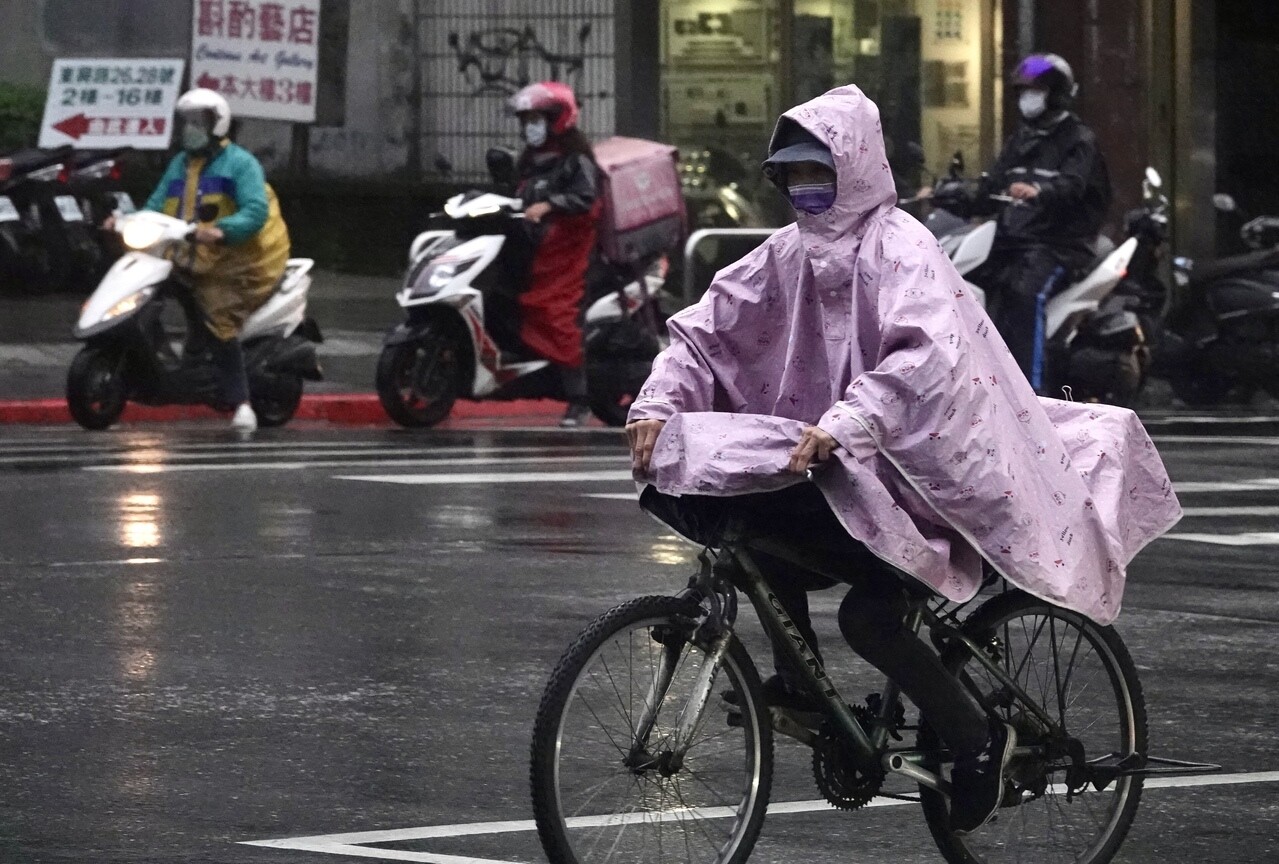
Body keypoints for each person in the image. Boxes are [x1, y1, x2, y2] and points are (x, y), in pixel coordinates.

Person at [625, 86, 1180, 833]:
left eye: (816, 175)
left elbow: (923, 355)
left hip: (929, 482)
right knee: (754, 536)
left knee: (871, 618)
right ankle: (797, 689)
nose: (802, 192)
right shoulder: (784, 255)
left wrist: (849, 419)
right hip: (849, 469)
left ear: (852, 169)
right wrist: (657, 403)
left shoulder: (901, 247)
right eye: (789, 179)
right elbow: (702, 334)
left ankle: (979, 739)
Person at [934, 53, 1112, 388]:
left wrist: (1039, 191)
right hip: (1013, 240)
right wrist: (954, 194)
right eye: (1022, 91)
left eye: (1035, 90)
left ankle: (1028, 392)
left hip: (1058, 245)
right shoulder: (1021, 139)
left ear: (1057, 93)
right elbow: (992, 187)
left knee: (1025, 292)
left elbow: (1072, 186)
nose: (1026, 99)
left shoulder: (1079, 140)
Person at [139, 88, 291, 432]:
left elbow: (254, 210)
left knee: (218, 314)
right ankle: (188, 358)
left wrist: (221, 231)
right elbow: (156, 204)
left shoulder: (240, 163)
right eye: (187, 122)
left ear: (218, 124)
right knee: (155, 283)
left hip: (240, 260)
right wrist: (127, 220)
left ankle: (242, 402)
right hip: (196, 256)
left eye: (199, 122)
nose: (190, 129)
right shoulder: (180, 164)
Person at [508, 81, 601, 428]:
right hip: (534, 251)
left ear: (557, 119)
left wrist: (549, 204)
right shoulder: (531, 161)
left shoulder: (576, 161)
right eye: (526, 120)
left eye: (537, 119)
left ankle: (579, 399)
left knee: (558, 316)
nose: (530, 127)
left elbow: (586, 199)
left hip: (567, 256)